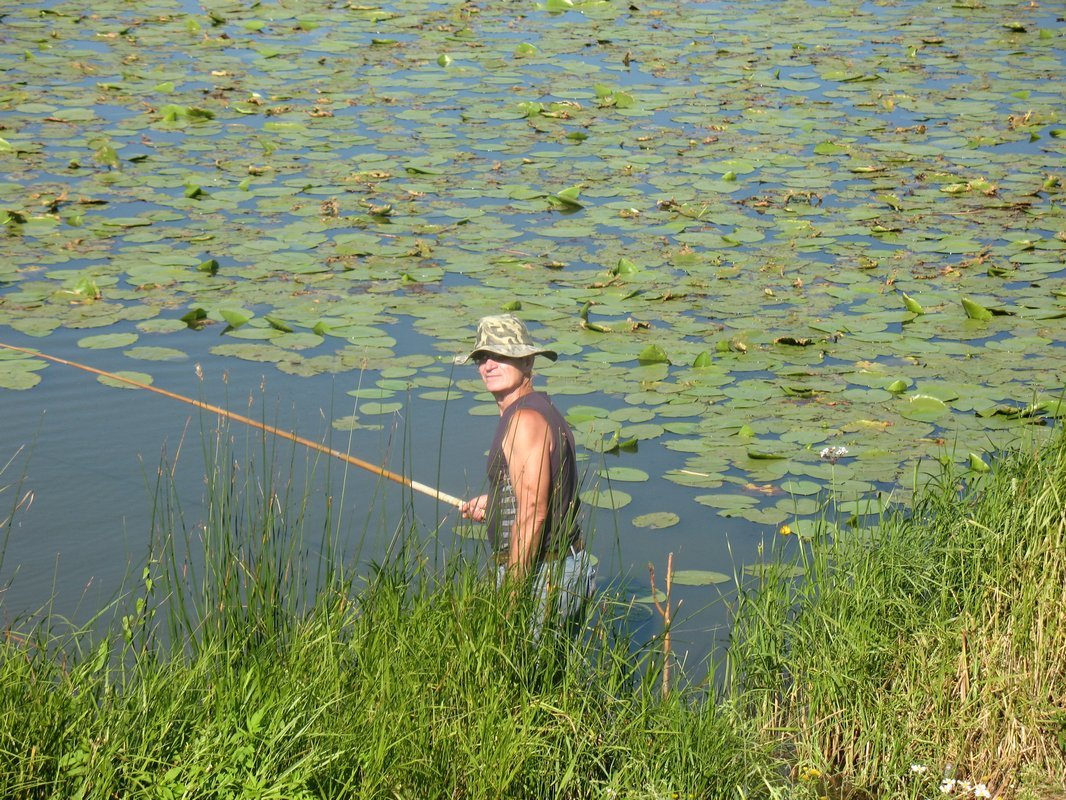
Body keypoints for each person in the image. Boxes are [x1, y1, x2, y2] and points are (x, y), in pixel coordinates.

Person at [458, 314, 594, 635]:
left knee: (516, 679)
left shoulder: (523, 421)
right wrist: (495, 504)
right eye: (481, 356)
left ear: (528, 361)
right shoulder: (538, 409)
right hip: (559, 568)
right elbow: (536, 493)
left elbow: (533, 511)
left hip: (542, 576)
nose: (488, 364)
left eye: (502, 355)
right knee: (549, 681)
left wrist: (512, 596)